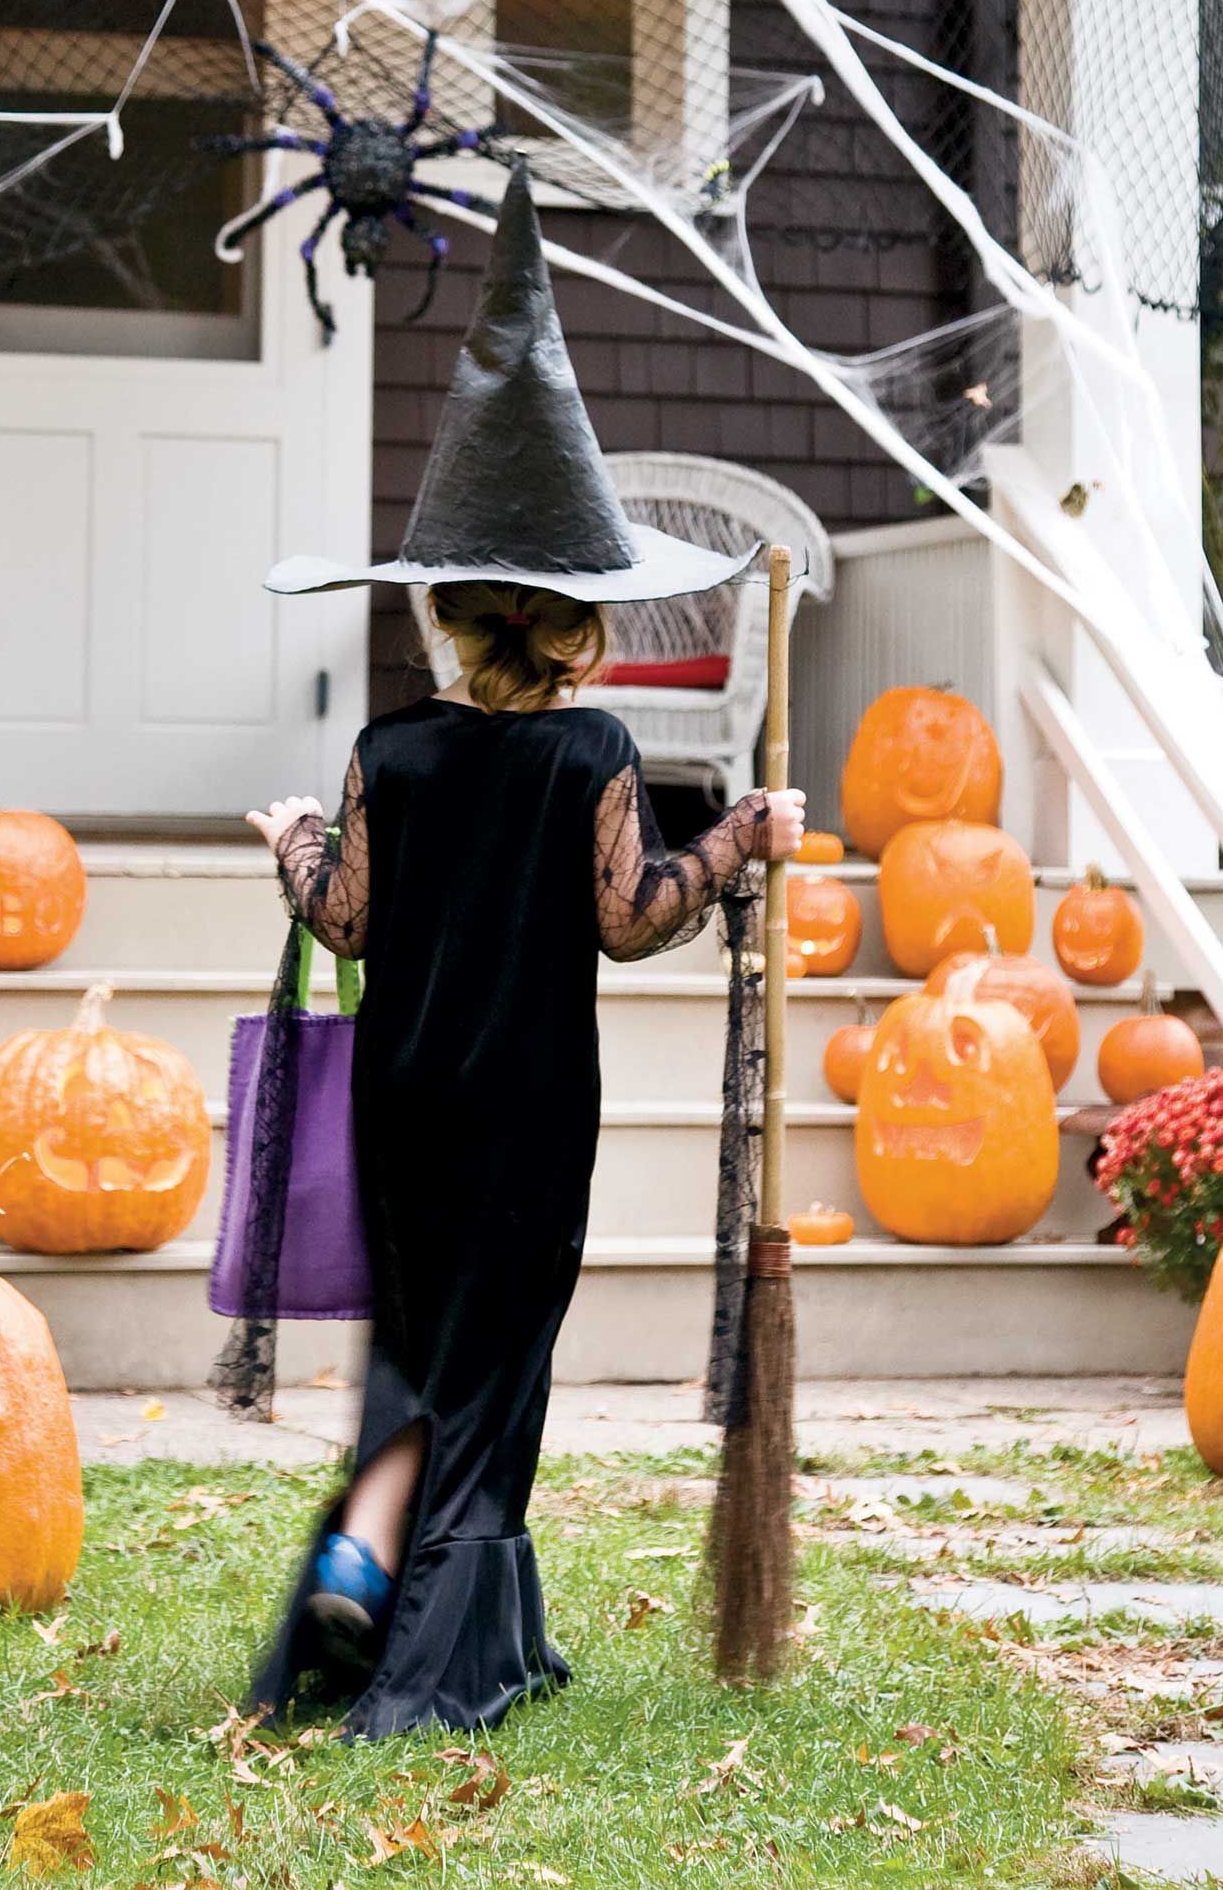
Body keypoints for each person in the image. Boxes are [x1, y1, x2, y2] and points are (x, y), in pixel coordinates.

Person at [238, 165, 806, 1739]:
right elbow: (629, 925)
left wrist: (289, 835)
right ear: (575, 624)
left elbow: (342, 917)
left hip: (407, 1110)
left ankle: (370, 1600)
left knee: (421, 1369)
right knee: (498, 1382)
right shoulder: (594, 753)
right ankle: (446, 1654)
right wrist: (735, 841)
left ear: (448, 614)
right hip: (533, 1122)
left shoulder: (391, 754)